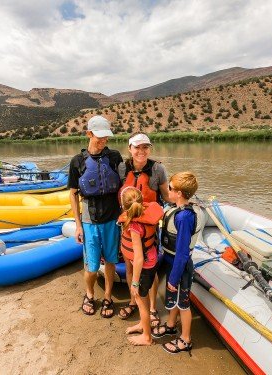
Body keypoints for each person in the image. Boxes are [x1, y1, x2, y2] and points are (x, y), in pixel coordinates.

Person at [68, 115, 123, 318]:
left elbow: (125, 187)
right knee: (91, 267)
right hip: (90, 222)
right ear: (89, 134)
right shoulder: (77, 161)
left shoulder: (114, 157)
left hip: (112, 220)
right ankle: (90, 294)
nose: (103, 141)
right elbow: (73, 193)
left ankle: (108, 296)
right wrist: (78, 225)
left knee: (110, 261)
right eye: (99, 137)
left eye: (106, 137)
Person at [117, 132, 173, 327]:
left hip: (148, 229)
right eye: (137, 147)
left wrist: (184, 199)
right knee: (130, 264)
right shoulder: (122, 167)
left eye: (145, 147)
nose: (141, 151)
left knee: (150, 268)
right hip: (128, 226)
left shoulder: (158, 169)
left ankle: (151, 308)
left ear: (149, 148)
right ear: (130, 148)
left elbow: (166, 196)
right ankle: (134, 301)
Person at [151, 172, 205, 355]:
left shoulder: (184, 218)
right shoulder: (177, 210)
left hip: (179, 266)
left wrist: (173, 279)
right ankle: (172, 325)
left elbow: (182, 253)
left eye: (171, 188)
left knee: (183, 304)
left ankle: (186, 339)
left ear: (180, 193)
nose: (168, 189)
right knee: (173, 300)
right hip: (170, 260)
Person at [118, 187, 163, 346]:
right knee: (141, 301)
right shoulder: (144, 215)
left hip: (144, 268)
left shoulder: (134, 226)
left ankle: (147, 337)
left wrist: (135, 282)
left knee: (141, 302)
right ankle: (142, 325)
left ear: (123, 206)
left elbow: (138, 258)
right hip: (151, 261)